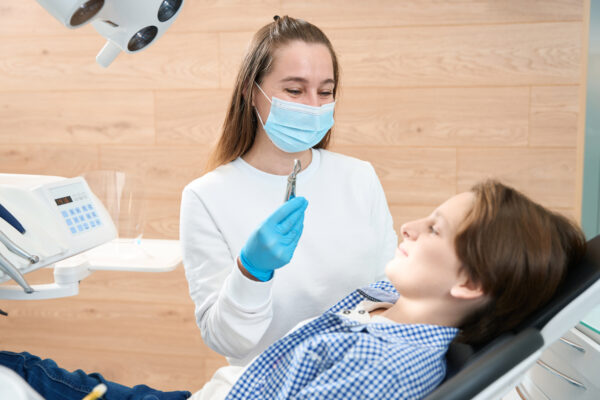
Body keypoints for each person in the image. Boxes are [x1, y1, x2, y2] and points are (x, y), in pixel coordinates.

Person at [0, 180, 587, 400]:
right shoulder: (394, 300)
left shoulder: (386, 368)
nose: (409, 227)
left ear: (472, 282)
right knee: (24, 367)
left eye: (433, 228)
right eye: (294, 87)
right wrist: (251, 271)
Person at [179, 15, 397, 366]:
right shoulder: (206, 197)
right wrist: (251, 272)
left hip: (357, 375)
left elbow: (392, 288)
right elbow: (227, 341)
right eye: (294, 90)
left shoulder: (359, 177)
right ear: (252, 92)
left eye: (325, 92)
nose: (313, 105)